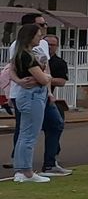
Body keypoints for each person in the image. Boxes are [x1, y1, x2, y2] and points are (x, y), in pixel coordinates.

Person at [9, 24, 53, 183]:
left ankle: (20, 170)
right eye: (38, 35)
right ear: (30, 37)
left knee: (23, 134)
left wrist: (19, 81)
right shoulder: (27, 56)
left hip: (26, 95)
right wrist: (47, 77)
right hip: (33, 96)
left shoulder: (21, 54)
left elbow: (11, 70)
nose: (40, 37)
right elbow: (43, 78)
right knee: (29, 135)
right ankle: (27, 171)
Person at [40, 33, 71, 176]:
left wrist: (46, 79)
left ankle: (52, 158)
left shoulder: (59, 63)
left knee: (56, 125)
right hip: (34, 98)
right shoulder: (36, 58)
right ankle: (19, 162)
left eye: (53, 45)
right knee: (26, 131)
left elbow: (62, 81)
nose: (50, 47)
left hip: (48, 98)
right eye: (47, 44)